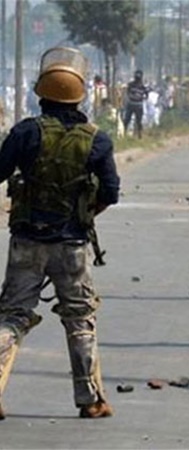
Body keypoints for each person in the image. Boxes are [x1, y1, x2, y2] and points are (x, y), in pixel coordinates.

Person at [0, 47, 120, 419]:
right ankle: (91, 400)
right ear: (80, 95)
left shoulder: (24, 132)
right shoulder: (97, 139)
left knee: (12, 316)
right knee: (80, 318)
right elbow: (111, 192)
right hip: (72, 245)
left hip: (27, 241)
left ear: (41, 94)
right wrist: (86, 213)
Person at [123, 69, 149, 139]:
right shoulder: (131, 84)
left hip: (138, 105)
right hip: (131, 104)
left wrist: (141, 98)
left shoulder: (143, 87)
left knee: (139, 121)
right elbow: (127, 92)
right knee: (127, 120)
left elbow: (146, 95)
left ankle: (139, 135)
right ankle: (124, 133)